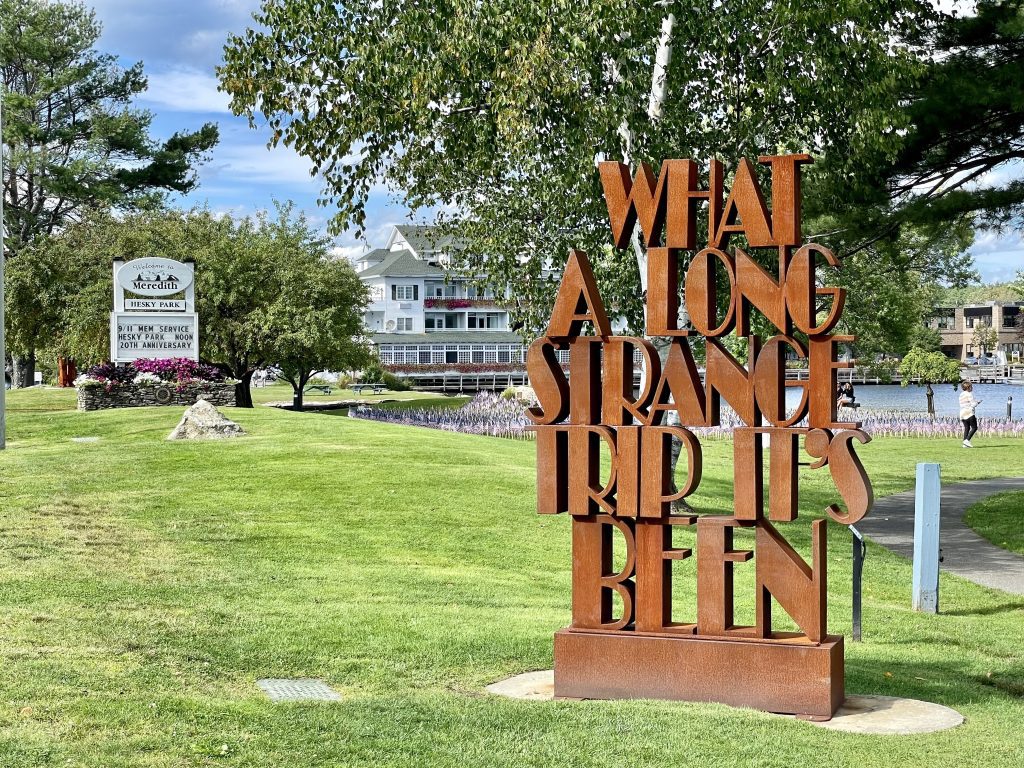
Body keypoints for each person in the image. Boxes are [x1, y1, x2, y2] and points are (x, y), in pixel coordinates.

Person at [959, 381, 981, 447]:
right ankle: (967, 440)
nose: (972, 388)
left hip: (962, 413)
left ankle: (964, 444)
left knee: (967, 428)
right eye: (971, 386)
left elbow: (964, 403)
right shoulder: (969, 394)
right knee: (974, 427)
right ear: (968, 387)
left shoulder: (961, 395)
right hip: (969, 412)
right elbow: (973, 404)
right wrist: (977, 402)